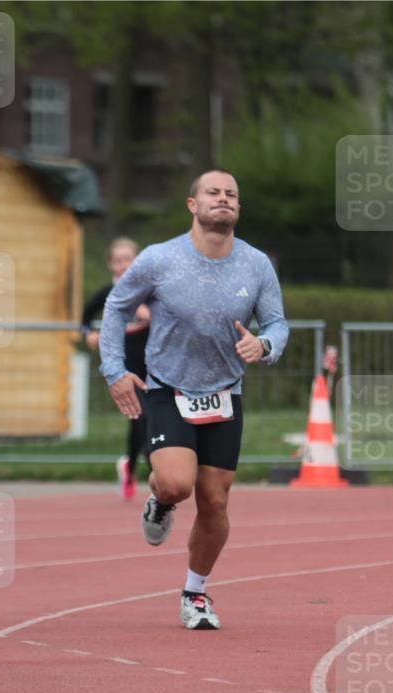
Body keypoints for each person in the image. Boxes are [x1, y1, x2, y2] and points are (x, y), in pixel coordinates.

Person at [99, 170, 289, 629]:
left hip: (224, 393)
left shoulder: (256, 264)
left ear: (237, 208)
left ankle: (195, 594)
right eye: (213, 193)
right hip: (167, 388)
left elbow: (278, 323)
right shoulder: (159, 259)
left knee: (215, 502)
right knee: (176, 484)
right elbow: (116, 306)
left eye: (231, 195)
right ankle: (160, 503)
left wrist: (263, 346)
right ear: (193, 205)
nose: (223, 199)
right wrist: (115, 370)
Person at [81, 237, 150, 500]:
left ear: (137, 261)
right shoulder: (106, 293)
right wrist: (89, 334)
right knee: (141, 417)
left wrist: (149, 313)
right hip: (125, 366)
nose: (123, 265)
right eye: (118, 260)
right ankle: (155, 473)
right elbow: (85, 318)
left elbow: (168, 316)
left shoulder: (148, 290)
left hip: (153, 364)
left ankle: (129, 468)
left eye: (128, 259)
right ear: (111, 264)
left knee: (143, 421)